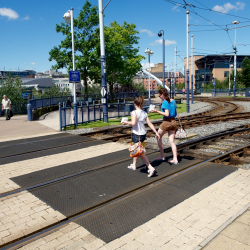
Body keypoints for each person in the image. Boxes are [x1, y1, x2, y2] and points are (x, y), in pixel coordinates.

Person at [122, 96, 160, 177]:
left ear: (135, 104)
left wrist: (126, 123)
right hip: (143, 134)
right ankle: (134, 165)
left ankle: (150, 168)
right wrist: (156, 132)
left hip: (137, 135)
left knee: (140, 153)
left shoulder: (134, 112)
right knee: (137, 150)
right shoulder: (144, 113)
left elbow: (133, 123)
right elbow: (149, 124)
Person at [150, 88, 179, 165]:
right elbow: (175, 112)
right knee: (172, 141)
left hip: (166, 122)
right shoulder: (173, 101)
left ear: (162, 95)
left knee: (158, 136)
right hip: (173, 121)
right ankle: (175, 159)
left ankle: (162, 156)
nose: (160, 97)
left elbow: (166, 114)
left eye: (160, 96)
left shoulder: (165, 102)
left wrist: (156, 111)